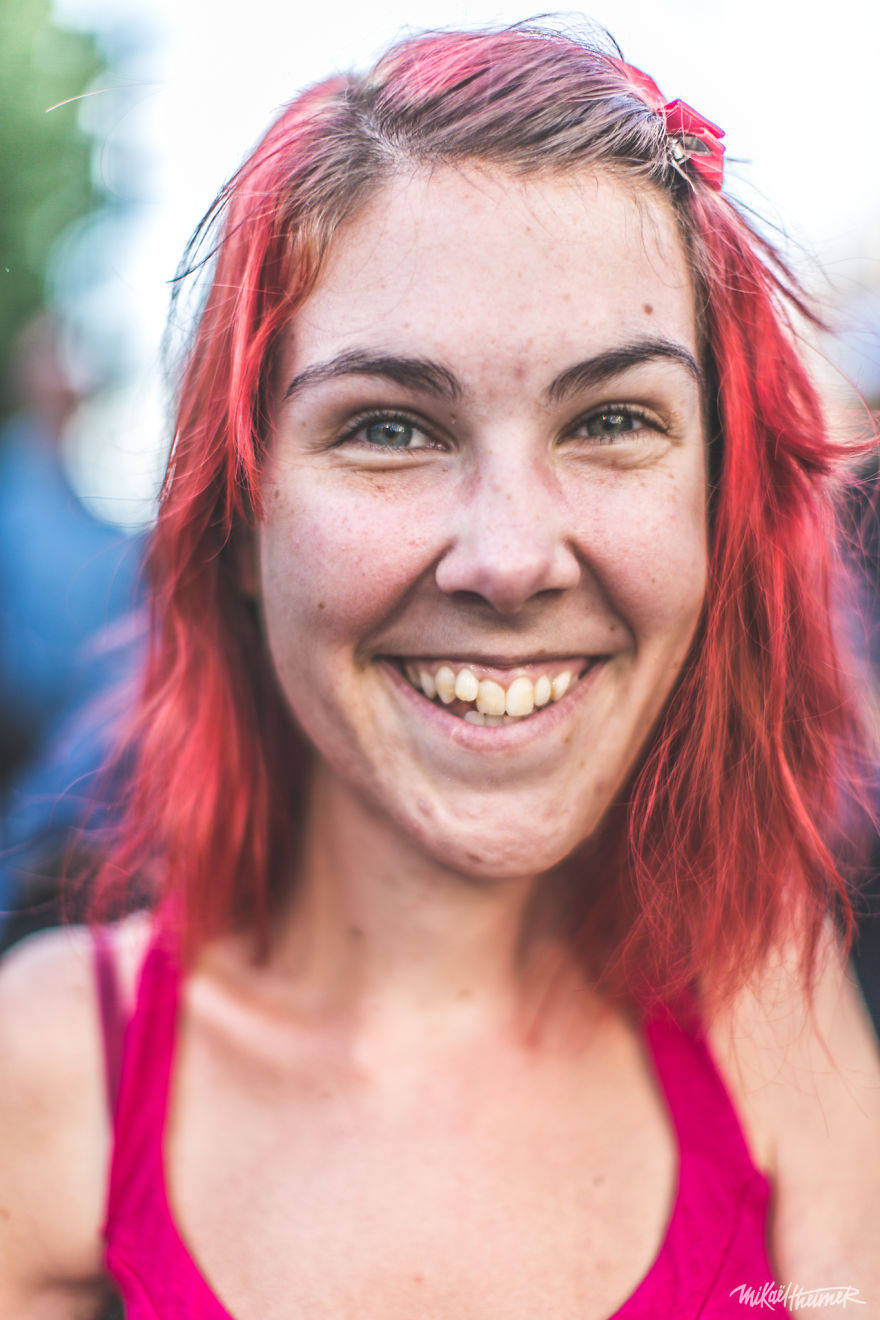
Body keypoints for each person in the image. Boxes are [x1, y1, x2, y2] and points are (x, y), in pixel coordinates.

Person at [1, 23, 879, 1319]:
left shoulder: (774, 1019)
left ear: (716, 505)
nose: (512, 559)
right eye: (391, 428)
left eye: (613, 420)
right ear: (238, 521)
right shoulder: (58, 1074)